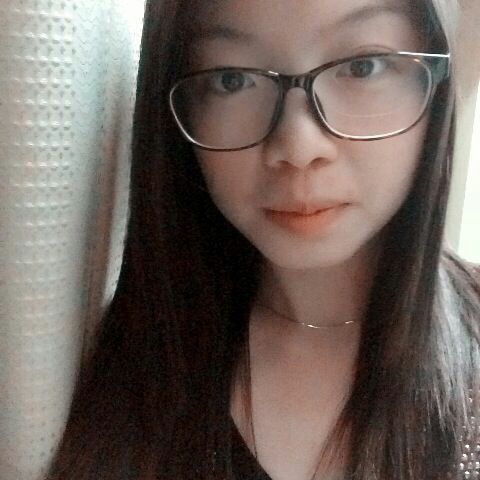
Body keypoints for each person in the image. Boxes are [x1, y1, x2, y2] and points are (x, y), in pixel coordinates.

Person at [46, 0, 480, 479]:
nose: (298, 147)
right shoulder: (126, 362)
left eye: (362, 66)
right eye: (232, 79)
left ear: (434, 78)